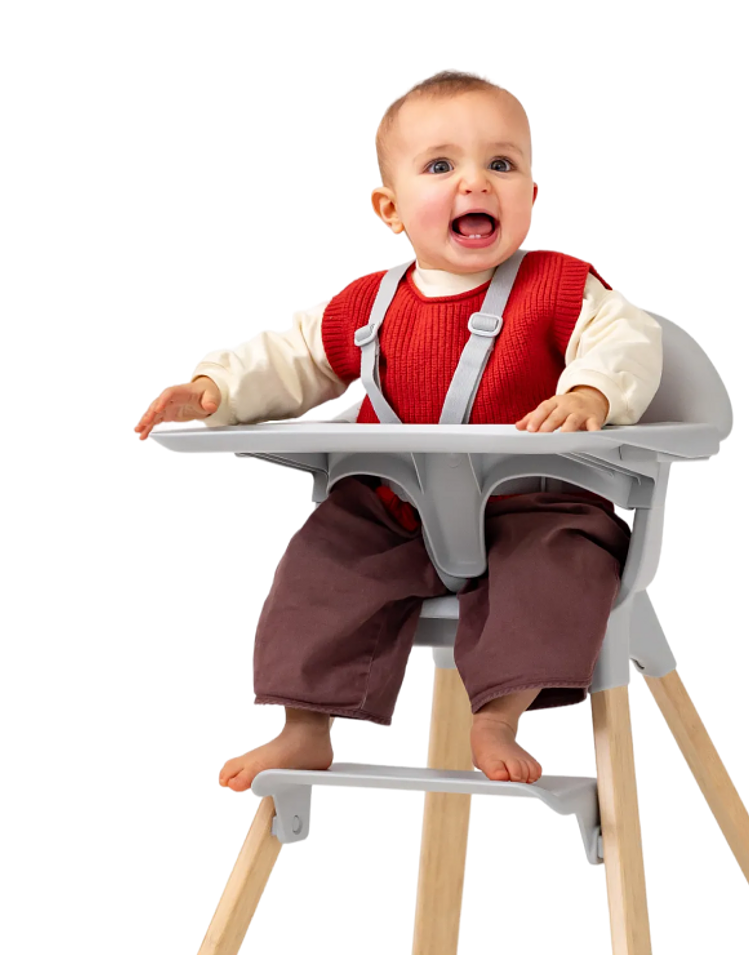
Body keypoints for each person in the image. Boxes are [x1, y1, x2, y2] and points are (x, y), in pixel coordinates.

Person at [134, 69, 661, 786]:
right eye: (441, 166)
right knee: (320, 563)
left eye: (500, 164)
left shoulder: (561, 287)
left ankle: (499, 714)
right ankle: (306, 727)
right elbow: (289, 356)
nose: (476, 183)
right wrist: (212, 390)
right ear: (391, 209)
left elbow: (625, 338)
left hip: (536, 504)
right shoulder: (368, 304)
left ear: (531, 201)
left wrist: (593, 391)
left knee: (558, 566)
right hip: (397, 507)